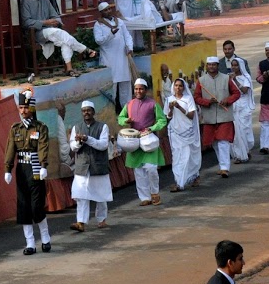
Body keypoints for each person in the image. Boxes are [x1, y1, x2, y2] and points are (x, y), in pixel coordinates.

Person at [3, 89, 51, 255]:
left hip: (36, 166)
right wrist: (7, 169)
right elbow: (10, 149)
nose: (23, 111)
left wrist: (44, 165)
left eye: (26, 107)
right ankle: (30, 243)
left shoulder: (40, 127)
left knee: (36, 205)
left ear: (32, 108)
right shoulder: (15, 129)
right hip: (22, 168)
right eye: (21, 108)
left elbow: (43, 146)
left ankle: (45, 238)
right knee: (23, 206)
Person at [20, 0, 96, 77]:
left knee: (65, 41)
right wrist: (45, 22)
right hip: (37, 33)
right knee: (59, 33)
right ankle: (85, 50)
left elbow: (55, 15)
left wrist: (58, 22)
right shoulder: (26, 2)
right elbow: (26, 22)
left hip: (51, 30)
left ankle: (69, 69)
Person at [118, 78, 167, 206]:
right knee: (138, 171)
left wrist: (152, 128)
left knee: (151, 168)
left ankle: (154, 193)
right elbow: (120, 118)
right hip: (133, 141)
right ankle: (145, 198)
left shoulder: (153, 104)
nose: (138, 91)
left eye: (141, 89)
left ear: (145, 90)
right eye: (136, 89)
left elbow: (162, 120)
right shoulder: (129, 104)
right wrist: (125, 121)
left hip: (148, 140)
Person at [193, 56, 241, 178]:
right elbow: (196, 98)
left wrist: (227, 100)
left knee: (223, 141)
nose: (212, 67)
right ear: (207, 66)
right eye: (209, 65)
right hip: (209, 117)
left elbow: (237, 93)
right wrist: (208, 102)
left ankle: (225, 167)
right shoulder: (201, 81)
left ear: (217, 66)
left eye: (214, 64)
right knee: (214, 142)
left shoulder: (226, 78)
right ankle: (222, 164)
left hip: (224, 115)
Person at [68, 100, 111, 231]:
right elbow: (73, 147)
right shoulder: (77, 127)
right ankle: (81, 222)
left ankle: (102, 219)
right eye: (84, 110)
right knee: (81, 195)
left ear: (93, 112)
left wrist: (88, 139)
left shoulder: (102, 127)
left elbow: (103, 145)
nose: (86, 112)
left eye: (88, 110)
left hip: (98, 166)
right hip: (82, 167)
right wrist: (79, 142)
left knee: (101, 195)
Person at [93, 1, 133, 109]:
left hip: (122, 58)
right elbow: (99, 41)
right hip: (109, 59)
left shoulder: (119, 21)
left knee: (125, 85)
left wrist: (130, 47)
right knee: (112, 87)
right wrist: (111, 34)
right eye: (105, 10)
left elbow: (127, 36)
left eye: (109, 9)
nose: (108, 11)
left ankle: (128, 111)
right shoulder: (98, 24)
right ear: (101, 12)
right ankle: (112, 113)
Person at [165, 78, 201, 192]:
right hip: (175, 132)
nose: (178, 88)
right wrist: (171, 109)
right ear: (173, 87)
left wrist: (179, 107)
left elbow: (191, 115)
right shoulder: (169, 100)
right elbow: (168, 117)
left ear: (183, 87)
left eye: (180, 86)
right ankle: (179, 181)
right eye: (176, 85)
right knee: (177, 157)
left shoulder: (188, 99)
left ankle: (183, 182)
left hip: (187, 132)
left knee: (186, 157)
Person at [228, 57, 253, 164]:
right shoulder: (228, 77)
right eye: (232, 65)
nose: (234, 67)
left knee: (244, 129)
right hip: (234, 106)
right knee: (236, 132)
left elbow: (244, 90)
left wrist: (235, 80)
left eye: (236, 65)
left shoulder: (246, 77)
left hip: (244, 107)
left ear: (240, 66)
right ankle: (239, 155)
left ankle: (246, 151)